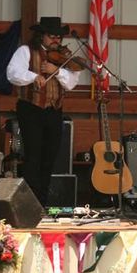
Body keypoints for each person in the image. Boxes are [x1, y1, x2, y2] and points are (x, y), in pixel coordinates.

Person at [6, 17, 80, 206]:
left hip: (53, 111)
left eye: (59, 37)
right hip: (31, 109)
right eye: (52, 36)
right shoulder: (26, 51)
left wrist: (57, 71)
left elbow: (71, 83)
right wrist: (33, 76)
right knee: (33, 156)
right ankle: (31, 202)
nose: (56, 40)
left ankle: (43, 202)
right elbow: (13, 73)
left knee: (49, 157)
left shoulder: (65, 56)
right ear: (41, 36)